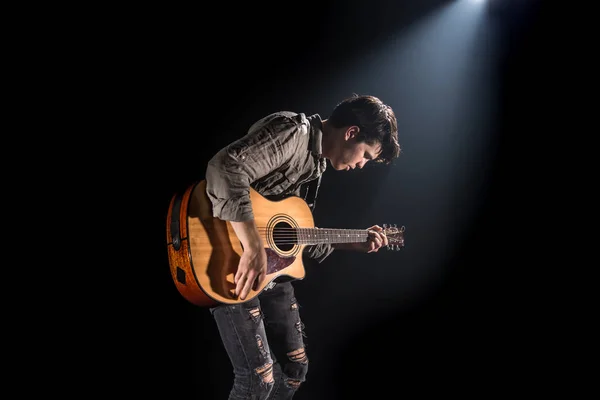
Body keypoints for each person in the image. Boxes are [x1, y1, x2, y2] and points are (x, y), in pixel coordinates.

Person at [204, 94, 401, 399]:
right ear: (351, 133)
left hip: (270, 270)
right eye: (365, 155)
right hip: (229, 258)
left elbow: (294, 235)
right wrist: (254, 247)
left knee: (295, 371)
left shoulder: (316, 166)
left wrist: (356, 242)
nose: (361, 165)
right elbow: (224, 168)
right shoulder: (294, 133)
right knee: (258, 382)